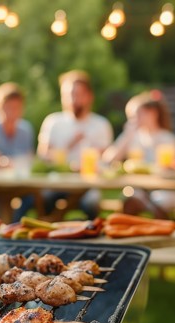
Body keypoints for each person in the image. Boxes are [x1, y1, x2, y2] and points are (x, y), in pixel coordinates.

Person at [37, 70, 113, 219]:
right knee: (43, 199)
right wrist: (68, 145)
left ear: (89, 96)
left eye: (77, 94)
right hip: (57, 182)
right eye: (67, 95)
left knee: (92, 202)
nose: (72, 99)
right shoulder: (53, 122)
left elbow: (107, 160)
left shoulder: (101, 124)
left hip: (88, 184)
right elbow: (42, 157)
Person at [103, 90, 175, 218]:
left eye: (136, 116)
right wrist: (126, 136)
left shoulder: (168, 139)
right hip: (137, 188)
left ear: (153, 113)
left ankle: (155, 219)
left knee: (162, 200)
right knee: (130, 197)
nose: (133, 122)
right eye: (130, 118)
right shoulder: (132, 138)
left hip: (162, 189)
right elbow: (108, 160)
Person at [0, 83, 35, 221]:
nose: (12, 112)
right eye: (8, 108)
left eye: (17, 108)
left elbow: (29, 160)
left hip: (20, 184)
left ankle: (15, 226)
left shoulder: (26, 131)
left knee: (35, 198)